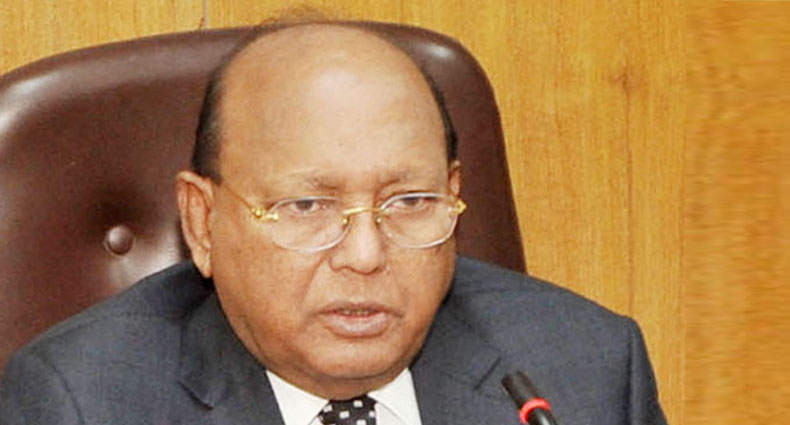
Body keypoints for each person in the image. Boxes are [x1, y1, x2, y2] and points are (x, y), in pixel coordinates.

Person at [0, 22, 667, 425]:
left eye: (410, 201)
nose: (366, 254)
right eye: (307, 206)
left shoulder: (586, 370)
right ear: (202, 223)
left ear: (454, 196)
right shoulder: (82, 403)